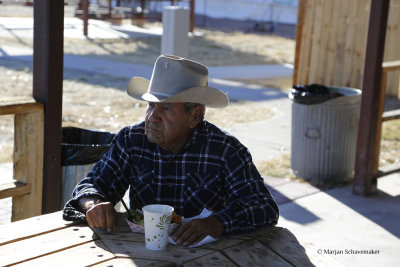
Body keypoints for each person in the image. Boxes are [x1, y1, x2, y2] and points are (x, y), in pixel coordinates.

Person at [63, 55, 279, 247]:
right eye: (150, 106)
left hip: (207, 256)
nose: (152, 117)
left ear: (195, 115)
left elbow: (263, 206)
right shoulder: (132, 139)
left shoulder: (225, 150)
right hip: (142, 251)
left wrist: (217, 223)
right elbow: (92, 185)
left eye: (165, 108)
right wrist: (94, 204)